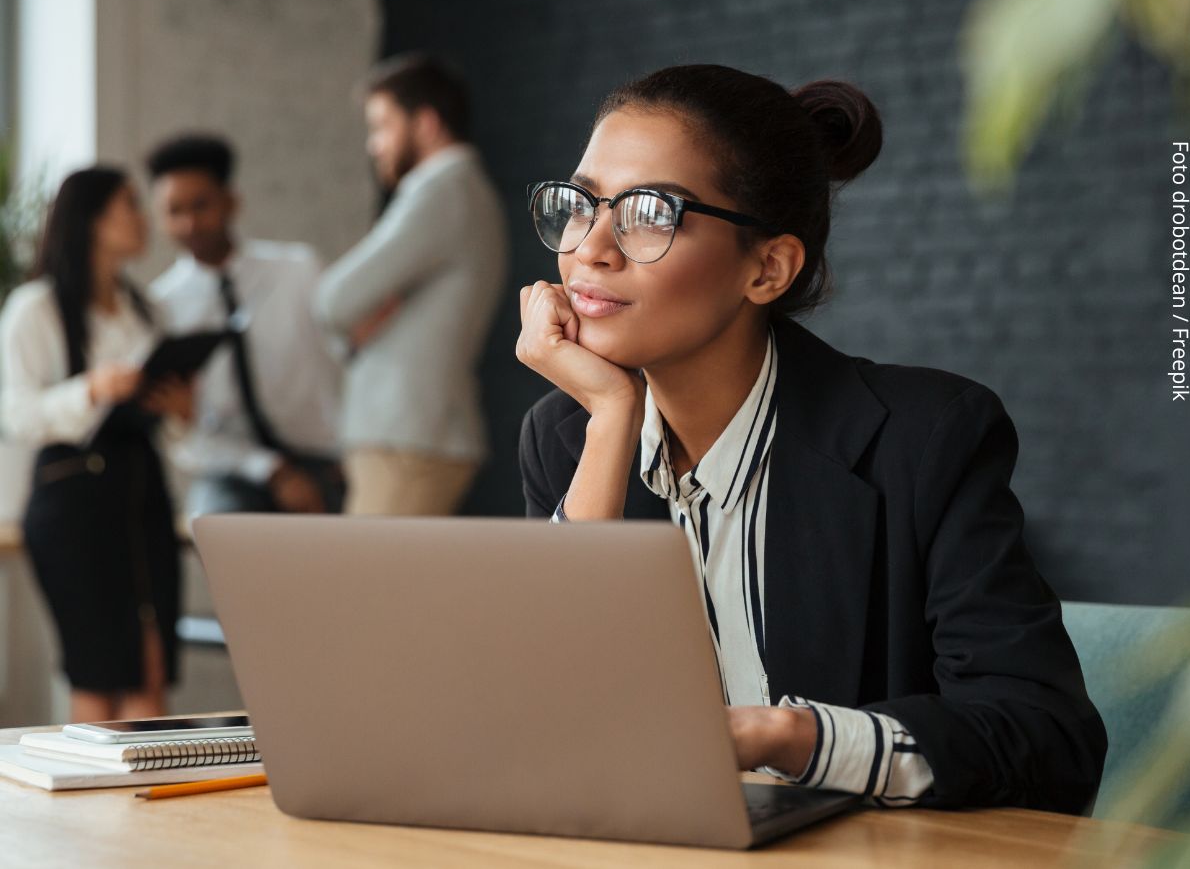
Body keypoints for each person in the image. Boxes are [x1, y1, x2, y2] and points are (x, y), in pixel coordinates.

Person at [516, 65, 1107, 813]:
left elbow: (1047, 740)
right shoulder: (569, 437)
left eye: (649, 213)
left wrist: (786, 737)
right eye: (582, 205)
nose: (590, 249)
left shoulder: (925, 440)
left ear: (767, 269)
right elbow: (543, 724)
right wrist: (607, 419)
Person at [0, 167, 193, 721]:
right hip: (73, 503)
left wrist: (178, 410)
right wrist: (91, 389)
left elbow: (177, 432)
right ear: (91, 219)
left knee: (151, 667)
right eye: (129, 204)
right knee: (99, 670)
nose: (142, 217)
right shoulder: (34, 309)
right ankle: (96, 805)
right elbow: (18, 416)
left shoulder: (148, 309)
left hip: (141, 496)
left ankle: (149, 802)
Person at [312, 54, 508, 516]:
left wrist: (367, 313)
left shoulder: (442, 190)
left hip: (408, 436)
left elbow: (334, 300)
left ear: (425, 123)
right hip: (416, 433)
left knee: (367, 587)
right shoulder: (463, 191)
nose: (373, 145)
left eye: (382, 126)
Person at [146, 134, 344, 516]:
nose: (189, 224)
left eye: (201, 206)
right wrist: (272, 471)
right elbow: (183, 436)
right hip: (232, 471)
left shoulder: (298, 270)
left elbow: (347, 360)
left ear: (231, 201)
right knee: (215, 527)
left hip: (323, 461)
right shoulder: (161, 309)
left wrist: (351, 448)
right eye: (173, 210)